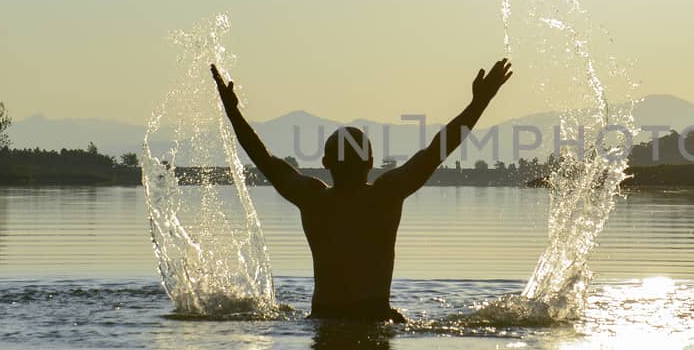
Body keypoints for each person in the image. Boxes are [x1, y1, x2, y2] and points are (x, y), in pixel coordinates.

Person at [210, 58, 513, 322]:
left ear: (326, 162)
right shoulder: (385, 196)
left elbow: (265, 160)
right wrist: (480, 102)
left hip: (323, 319)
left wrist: (233, 113)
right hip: (375, 318)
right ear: (370, 162)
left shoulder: (313, 199)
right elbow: (438, 149)